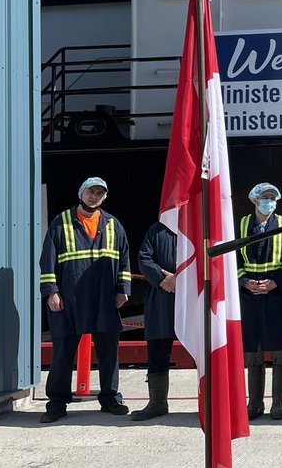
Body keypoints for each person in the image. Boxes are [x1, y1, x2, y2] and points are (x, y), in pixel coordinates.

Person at [38, 177, 131, 423]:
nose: (95, 196)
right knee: (62, 353)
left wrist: (124, 289)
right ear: (81, 193)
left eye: (100, 193)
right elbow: (47, 259)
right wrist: (51, 291)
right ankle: (56, 403)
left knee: (109, 351)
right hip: (69, 299)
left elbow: (124, 259)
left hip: (104, 299)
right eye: (91, 191)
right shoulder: (62, 222)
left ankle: (110, 398)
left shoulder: (113, 224)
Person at [238, 182, 282, 421]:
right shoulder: (241, 225)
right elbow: (231, 258)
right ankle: (254, 404)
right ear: (255, 200)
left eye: (273, 198)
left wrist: (274, 283)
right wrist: (244, 281)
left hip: (277, 295)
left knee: (278, 351)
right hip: (249, 295)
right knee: (253, 351)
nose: (269, 201)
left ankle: (278, 404)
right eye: (265, 197)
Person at [132, 221, 177, 421]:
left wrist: (181, 278)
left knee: (202, 353)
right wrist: (163, 279)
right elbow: (144, 258)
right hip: (161, 297)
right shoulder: (156, 230)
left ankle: (208, 403)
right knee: (158, 351)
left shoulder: (199, 225)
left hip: (193, 297)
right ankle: (157, 403)